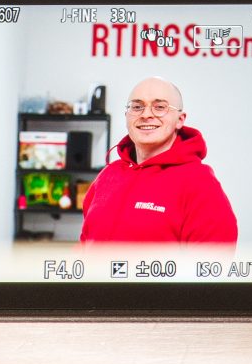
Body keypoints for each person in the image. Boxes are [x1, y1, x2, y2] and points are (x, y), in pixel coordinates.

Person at [79, 77, 237, 245]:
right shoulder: (108, 175)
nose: (146, 114)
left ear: (180, 120)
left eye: (160, 107)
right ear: (126, 115)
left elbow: (212, 259)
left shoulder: (200, 183)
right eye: (137, 107)